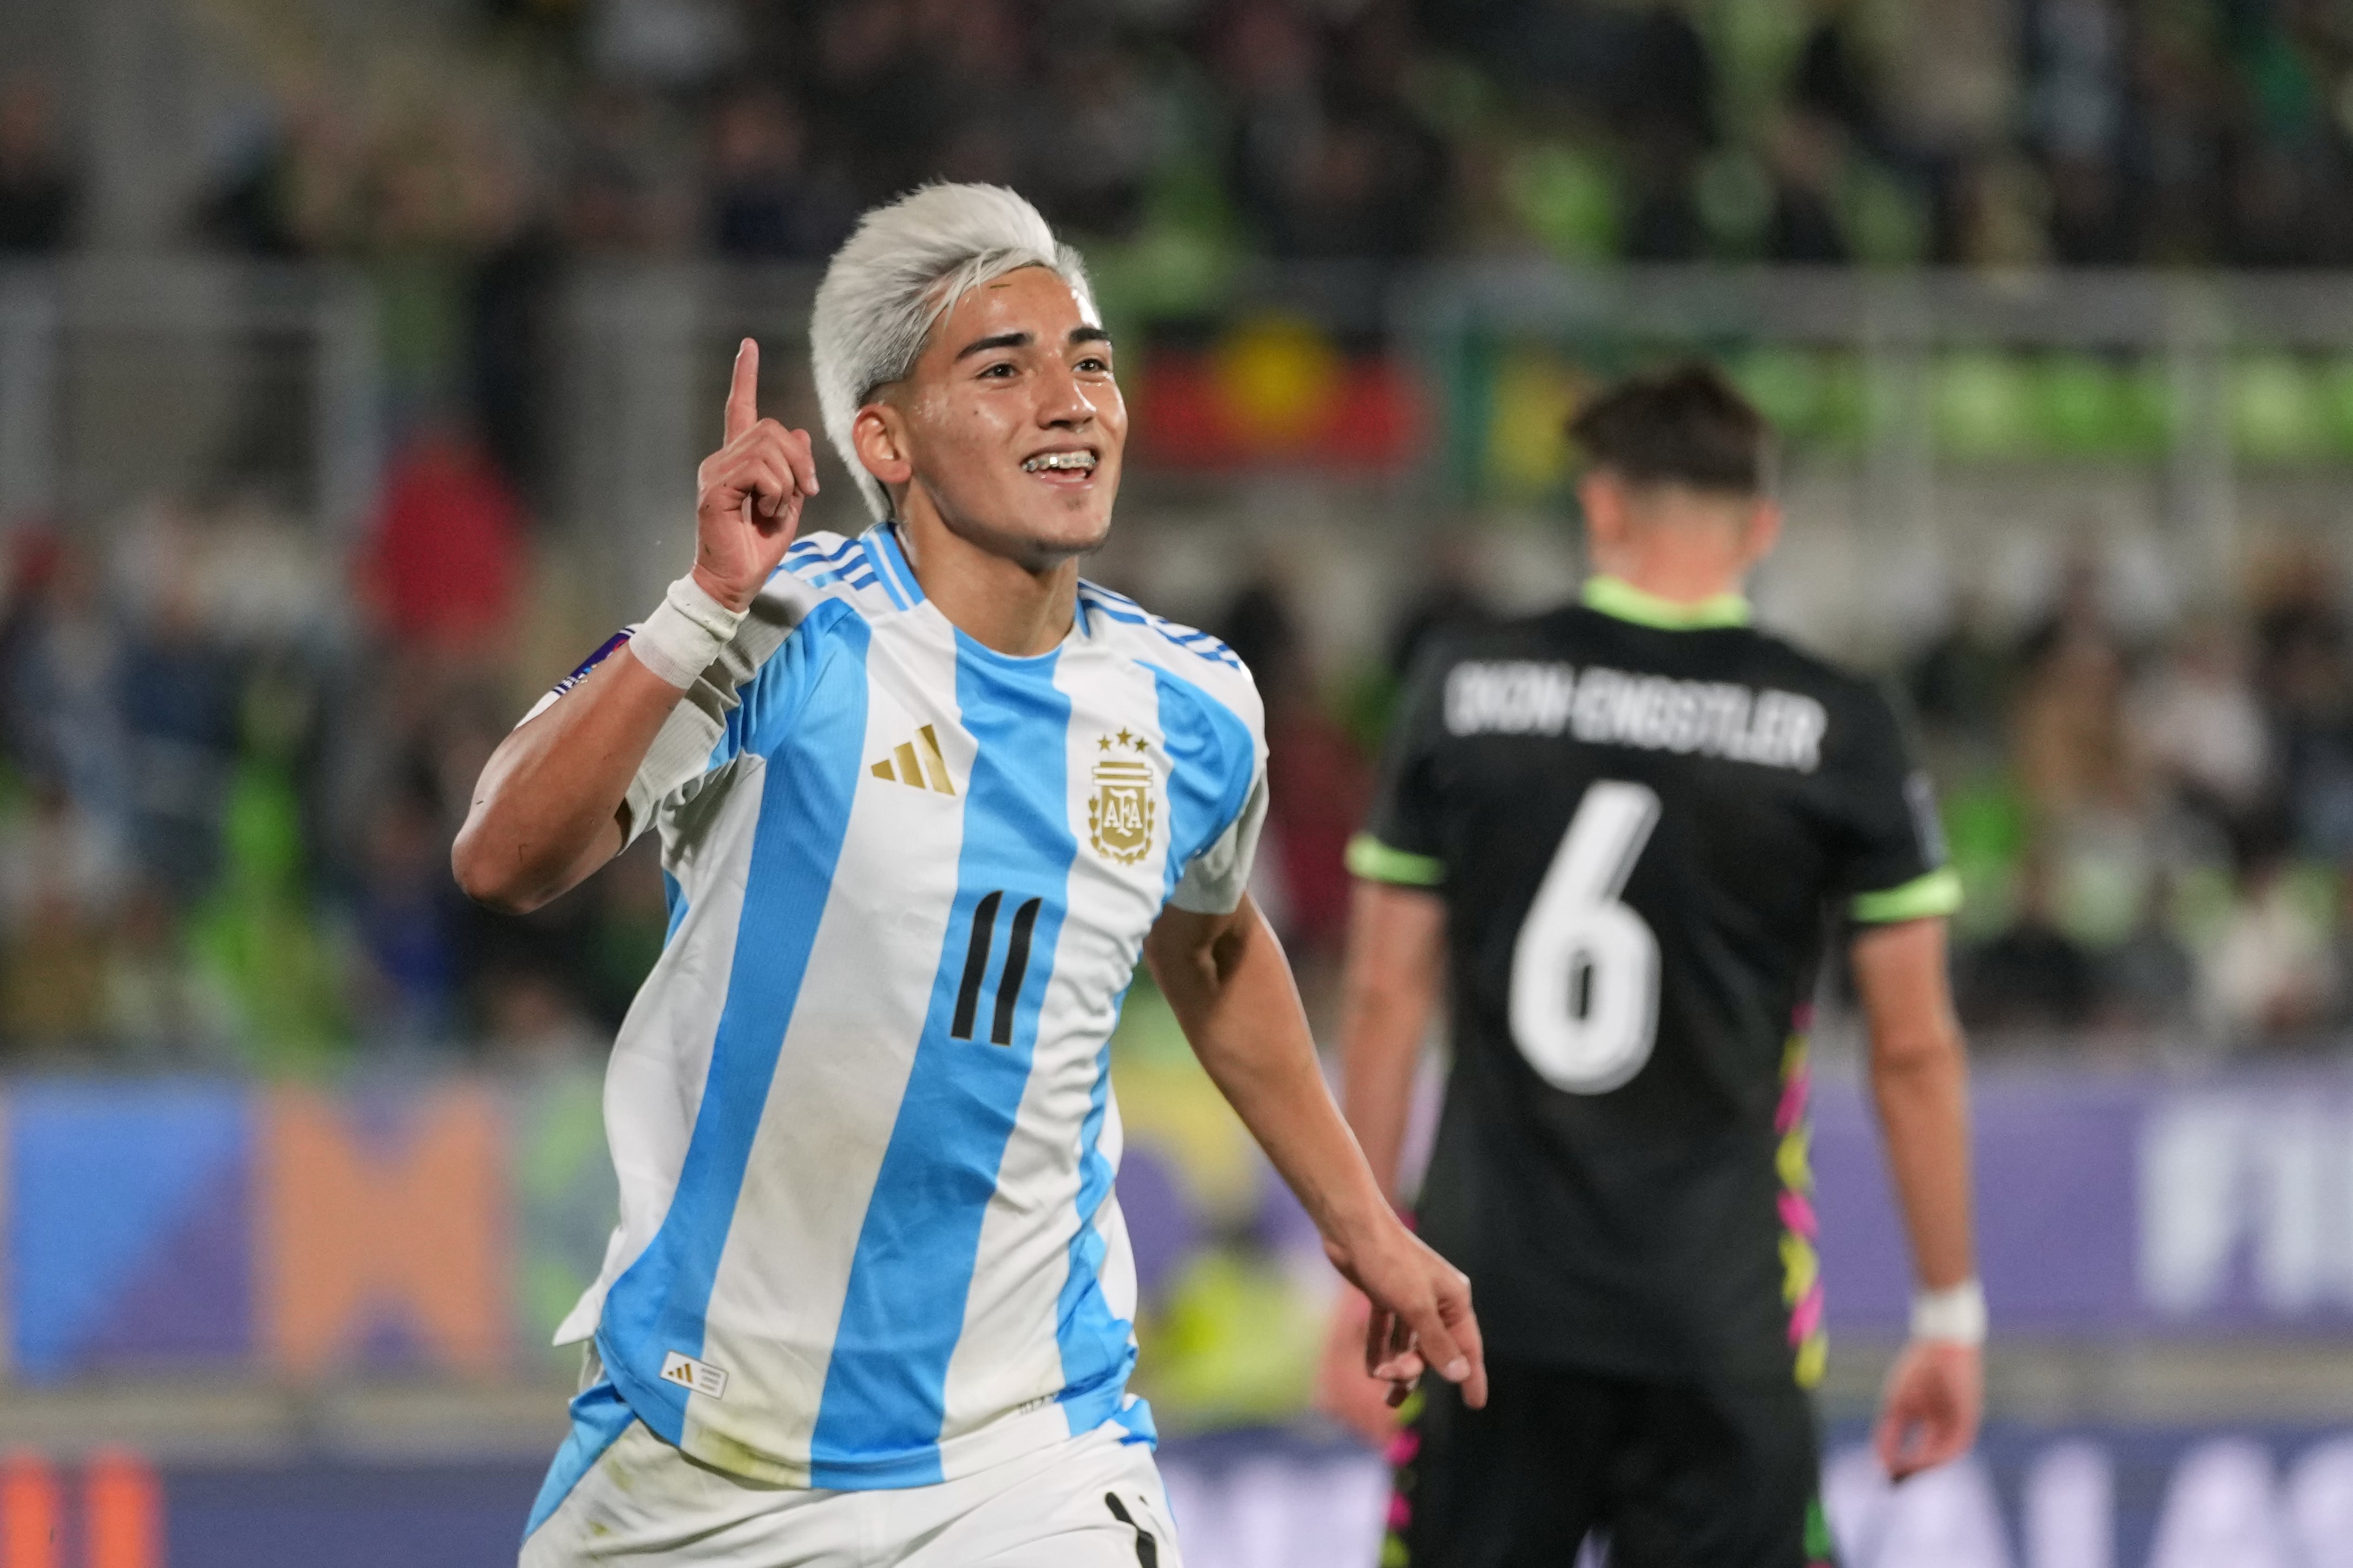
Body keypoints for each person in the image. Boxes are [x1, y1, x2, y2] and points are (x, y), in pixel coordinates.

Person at [452, 182, 1482, 1568]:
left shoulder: (1193, 708)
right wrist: (698, 607)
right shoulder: (782, 632)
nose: (1070, 402)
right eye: (1003, 370)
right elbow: (503, 859)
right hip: (705, 1454)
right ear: (884, 437)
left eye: (1092, 364)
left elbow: (1217, 949)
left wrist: (1367, 1227)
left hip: (1029, 1451)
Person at [1325, 364, 1982, 1567]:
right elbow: (1913, 1044)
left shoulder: (1465, 685)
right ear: (1762, 527)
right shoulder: (1836, 723)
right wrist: (1949, 1312)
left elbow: (1383, 996)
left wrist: (1363, 1273)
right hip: (1718, 1310)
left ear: (1603, 507)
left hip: (1486, 1301)